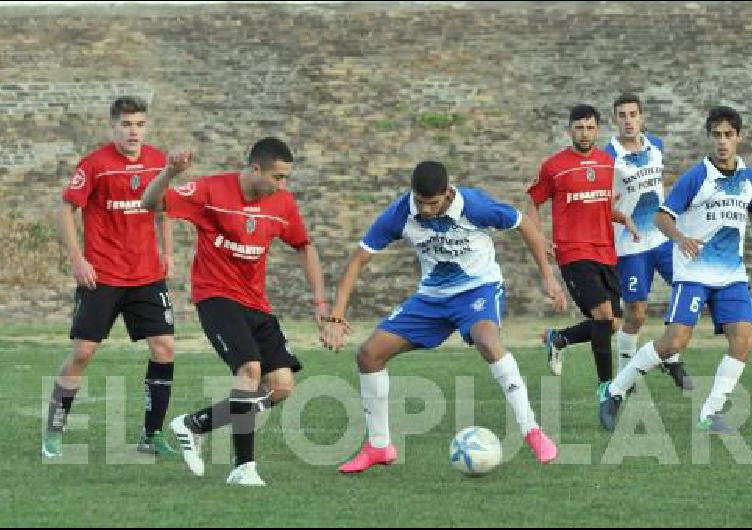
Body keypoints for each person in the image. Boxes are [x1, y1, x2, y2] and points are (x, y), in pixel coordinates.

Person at [321, 160, 567, 474]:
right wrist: (337, 317)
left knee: (487, 340)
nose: (424, 210)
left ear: (448, 193)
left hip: (477, 290)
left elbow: (523, 223)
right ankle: (379, 446)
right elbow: (357, 261)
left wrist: (547, 276)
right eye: (420, 202)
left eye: (432, 203)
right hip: (431, 298)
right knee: (369, 355)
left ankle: (531, 430)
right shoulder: (400, 213)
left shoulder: (474, 206)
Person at [141, 137, 328, 486]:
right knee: (249, 370)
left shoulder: (282, 203)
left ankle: (194, 424)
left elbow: (305, 247)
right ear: (255, 169)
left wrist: (320, 303)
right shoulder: (212, 190)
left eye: (286, 177)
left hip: (256, 302)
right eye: (277, 176)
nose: (282, 185)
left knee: (282, 387)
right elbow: (150, 203)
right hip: (216, 297)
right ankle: (244, 468)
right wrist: (169, 171)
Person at [598, 106, 752, 432]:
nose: (723, 141)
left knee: (743, 340)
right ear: (709, 138)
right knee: (673, 343)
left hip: (731, 276)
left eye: (729, 135)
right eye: (717, 135)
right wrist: (681, 238)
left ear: (738, 137)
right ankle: (614, 392)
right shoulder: (696, 177)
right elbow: (661, 217)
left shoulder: (750, 179)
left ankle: (709, 414)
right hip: (694, 274)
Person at [43, 96, 177, 459]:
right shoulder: (95, 165)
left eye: (139, 124)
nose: (134, 131)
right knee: (83, 352)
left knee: (164, 348)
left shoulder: (156, 162)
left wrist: (167, 251)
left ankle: (151, 435)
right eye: (126, 125)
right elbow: (66, 210)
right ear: (113, 127)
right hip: (102, 274)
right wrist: (78, 259)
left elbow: (164, 210)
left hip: (146, 274)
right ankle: (54, 429)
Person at [527, 104, 639, 418]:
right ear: (570, 129)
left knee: (613, 324)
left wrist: (623, 219)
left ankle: (559, 338)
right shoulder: (554, 166)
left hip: (605, 249)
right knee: (603, 315)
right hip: (574, 251)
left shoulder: (607, 163)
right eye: (579, 128)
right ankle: (606, 388)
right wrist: (539, 237)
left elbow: (599, 206)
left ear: (597, 129)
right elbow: (532, 203)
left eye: (590, 128)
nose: (585, 133)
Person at [604, 93, 692, 390]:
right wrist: (619, 215)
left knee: (686, 286)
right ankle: (624, 376)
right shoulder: (608, 156)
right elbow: (602, 204)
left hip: (662, 239)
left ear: (642, 117)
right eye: (622, 115)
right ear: (614, 119)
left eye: (633, 114)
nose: (628, 121)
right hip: (630, 246)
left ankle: (671, 356)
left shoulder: (657, 146)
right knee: (636, 314)